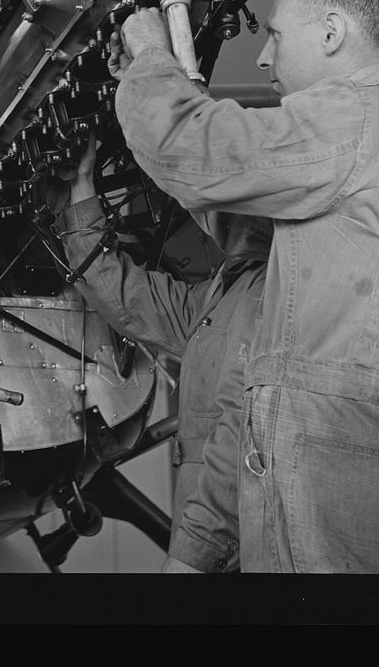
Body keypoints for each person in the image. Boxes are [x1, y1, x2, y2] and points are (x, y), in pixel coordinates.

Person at [106, 0, 379, 573]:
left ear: (332, 32)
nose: (265, 55)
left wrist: (148, 50)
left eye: (274, 34)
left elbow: (188, 147)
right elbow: (247, 215)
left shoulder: (356, 109)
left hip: (335, 476)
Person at [51, 137, 270, 572]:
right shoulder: (223, 294)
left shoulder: (272, 294)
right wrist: (80, 189)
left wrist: (193, 556)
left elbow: (246, 434)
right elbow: (124, 294)